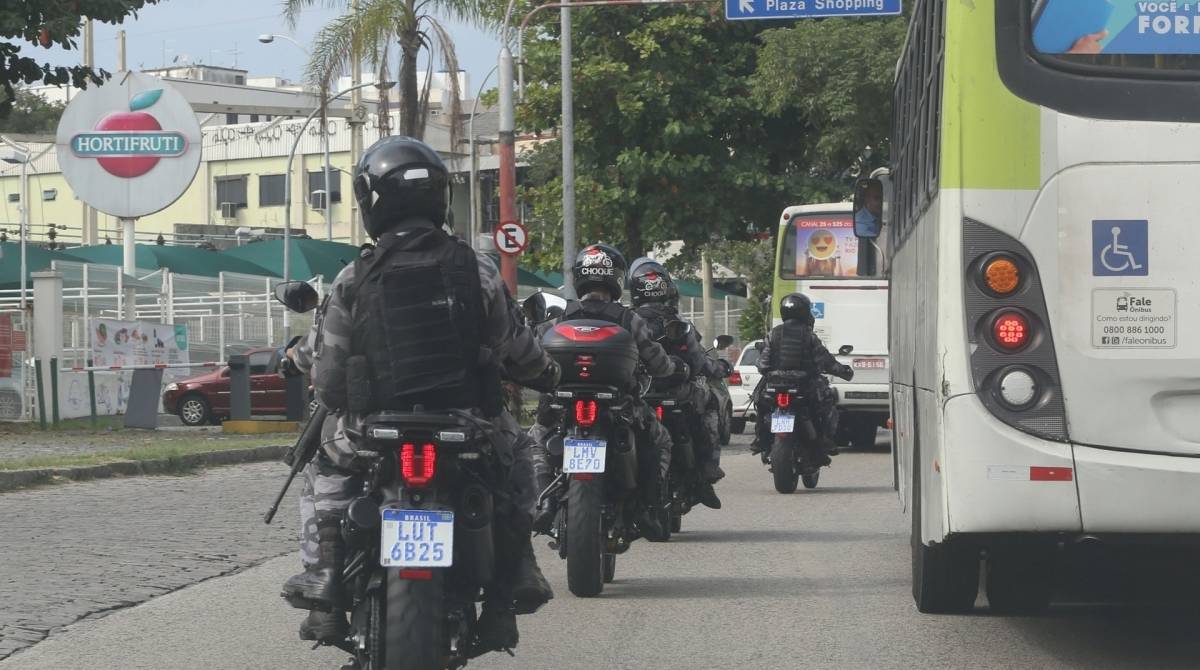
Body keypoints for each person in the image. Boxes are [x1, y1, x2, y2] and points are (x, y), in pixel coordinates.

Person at [282, 136, 561, 652]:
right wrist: (545, 374)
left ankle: (325, 576)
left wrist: (331, 386)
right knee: (518, 460)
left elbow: (329, 373)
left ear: (371, 202)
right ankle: (512, 581)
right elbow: (518, 347)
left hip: (372, 431)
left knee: (327, 469)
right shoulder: (476, 269)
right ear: (438, 196)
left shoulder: (354, 275)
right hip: (470, 428)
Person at [528, 244, 680, 539]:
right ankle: (647, 508)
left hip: (562, 405)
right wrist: (670, 368)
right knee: (661, 440)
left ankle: (544, 500)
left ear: (579, 277)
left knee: (536, 440)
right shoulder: (628, 319)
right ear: (617, 279)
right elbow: (658, 362)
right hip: (620, 406)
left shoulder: (561, 317)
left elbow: (533, 356)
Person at [627, 257, 730, 509]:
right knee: (710, 404)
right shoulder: (680, 325)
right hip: (677, 392)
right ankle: (707, 471)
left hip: (638, 394)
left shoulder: (626, 321)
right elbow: (700, 362)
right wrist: (720, 368)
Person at [751, 293, 853, 466]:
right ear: (805, 312)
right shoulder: (808, 335)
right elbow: (825, 361)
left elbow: (762, 364)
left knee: (760, 403)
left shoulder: (773, 334)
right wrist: (844, 372)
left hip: (775, 385)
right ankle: (825, 441)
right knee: (827, 402)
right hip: (804, 385)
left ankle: (760, 439)